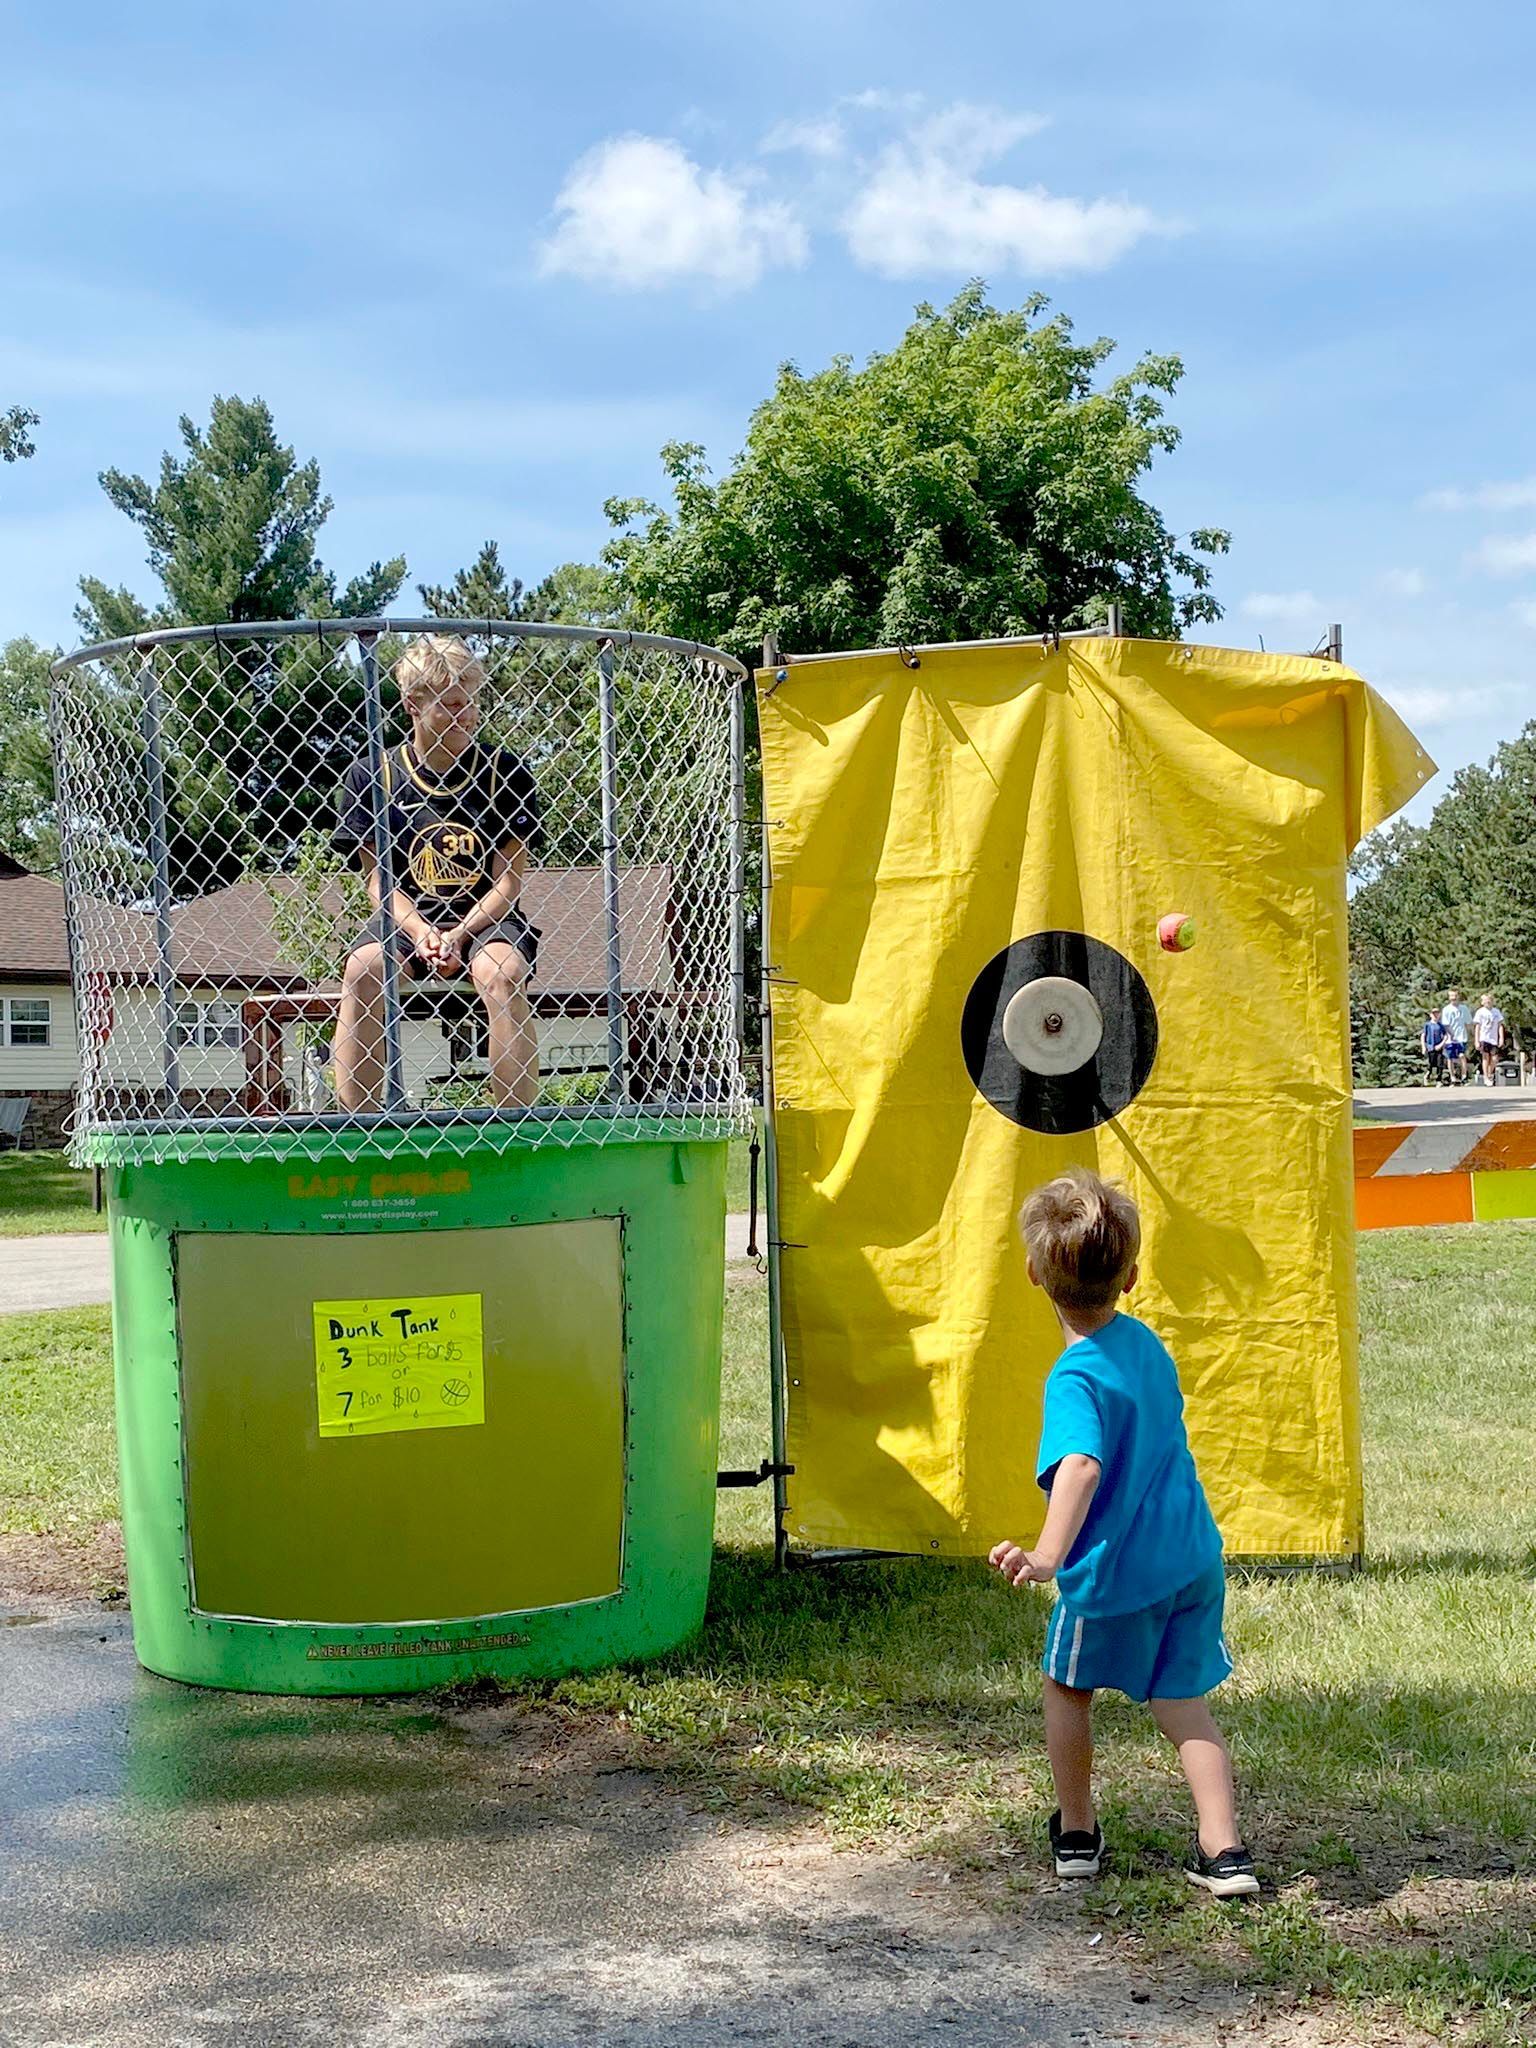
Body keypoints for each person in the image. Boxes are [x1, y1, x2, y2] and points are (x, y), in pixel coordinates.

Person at [989, 1167, 1258, 1899]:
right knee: (1182, 1702)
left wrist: (1048, 1555)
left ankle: (1076, 1833)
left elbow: (1079, 1466)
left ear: (1033, 1274)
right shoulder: (1145, 1346)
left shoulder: (1074, 1377)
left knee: (1066, 1685)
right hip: (1190, 1559)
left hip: (1114, 1577)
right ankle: (1224, 1851)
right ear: (1132, 1276)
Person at [331, 634, 541, 1112]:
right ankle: (358, 1127)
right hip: (408, 919)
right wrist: (423, 931)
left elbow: (508, 881)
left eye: (470, 702)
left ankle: (518, 1127)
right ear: (412, 705)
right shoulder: (374, 775)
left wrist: (462, 934)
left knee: (503, 971)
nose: (465, 714)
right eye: (449, 704)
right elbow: (379, 883)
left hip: (485, 918)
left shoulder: (502, 772)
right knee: (363, 969)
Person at [1473, 991, 1506, 1087]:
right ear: (1482, 1002)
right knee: (1485, 1057)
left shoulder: (1496, 1012)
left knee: (1495, 1058)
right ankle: (1486, 1077)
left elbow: (1500, 1026)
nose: (1488, 1003)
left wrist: (1501, 1038)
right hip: (1484, 1037)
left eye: (1490, 1001)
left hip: (1493, 1039)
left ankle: (1489, 1073)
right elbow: (1477, 1027)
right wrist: (1477, 1040)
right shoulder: (1480, 1012)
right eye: (1486, 1001)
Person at [1441, 988, 1472, 1085]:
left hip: (1461, 1037)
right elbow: (1445, 1024)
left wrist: (1471, 1035)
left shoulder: (1464, 1008)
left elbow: (1468, 1023)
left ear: (1458, 996)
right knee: (1450, 1058)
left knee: (1462, 1056)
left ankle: (1464, 1076)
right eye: (1451, 996)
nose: (1453, 998)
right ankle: (1453, 1077)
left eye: (1455, 996)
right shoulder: (1446, 1009)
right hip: (1450, 1039)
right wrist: (1451, 1035)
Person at [1421, 1006, 1450, 1086]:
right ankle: (1427, 1075)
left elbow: (1445, 1036)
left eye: (1437, 1014)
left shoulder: (1440, 1025)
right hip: (1430, 1047)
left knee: (1440, 1064)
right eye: (1434, 1014)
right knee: (1431, 1064)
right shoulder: (1428, 1025)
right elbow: (1423, 1035)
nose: (1435, 1015)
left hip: (1439, 1047)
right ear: (1431, 1015)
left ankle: (1439, 1080)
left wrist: (1441, 1044)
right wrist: (1424, 1047)